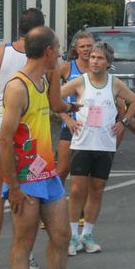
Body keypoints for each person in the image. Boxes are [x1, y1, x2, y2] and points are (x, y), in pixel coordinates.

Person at [0, 26, 92, 269]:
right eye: (59, 48)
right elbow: (4, 139)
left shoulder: (42, 79)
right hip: (25, 177)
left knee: (62, 235)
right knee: (23, 240)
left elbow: (52, 106)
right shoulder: (17, 87)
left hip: (47, 172)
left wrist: (68, 107)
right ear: (49, 52)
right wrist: (12, 187)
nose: (63, 53)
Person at [0, 8, 65, 269]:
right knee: (31, 198)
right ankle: (30, 257)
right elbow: (54, 102)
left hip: (6, 133)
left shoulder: (1, 53)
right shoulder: (47, 62)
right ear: (41, 32)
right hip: (34, 138)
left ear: (18, 28)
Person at [61, 42, 135, 256]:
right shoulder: (80, 81)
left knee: (97, 191)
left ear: (108, 62)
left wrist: (123, 122)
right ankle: (72, 236)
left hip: (105, 145)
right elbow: (55, 99)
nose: (95, 61)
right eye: (93, 57)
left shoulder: (115, 84)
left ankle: (87, 234)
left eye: (100, 58)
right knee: (77, 190)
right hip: (82, 143)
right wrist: (68, 119)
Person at [57, 32, 92, 186]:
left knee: (87, 174)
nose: (86, 49)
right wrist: (67, 119)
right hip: (71, 126)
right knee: (63, 169)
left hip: (93, 127)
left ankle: (84, 209)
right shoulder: (66, 68)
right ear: (76, 49)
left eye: (89, 46)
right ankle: (53, 202)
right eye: (82, 46)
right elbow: (53, 97)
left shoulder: (99, 66)